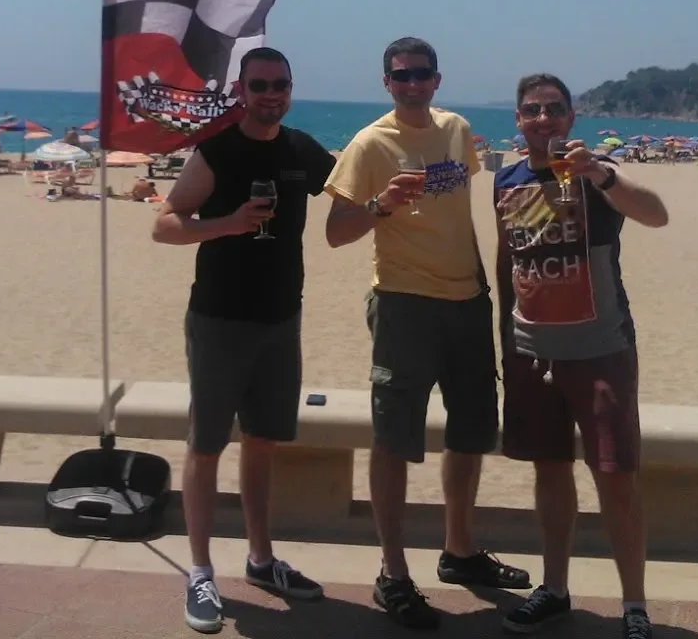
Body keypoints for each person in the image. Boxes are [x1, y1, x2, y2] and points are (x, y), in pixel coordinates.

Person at [323, 37, 528, 630]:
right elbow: (336, 232)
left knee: (470, 433)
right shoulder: (369, 143)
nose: (412, 83)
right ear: (386, 82)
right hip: (404, 304)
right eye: (401, 75)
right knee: (393, 438)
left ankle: (459, 551)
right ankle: (393, 573)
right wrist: (381, 206)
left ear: (437, 80)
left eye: (422, 74)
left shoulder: (457, 131)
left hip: (467, 302)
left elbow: (465, 205)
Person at [152, 47, 336, 633]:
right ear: (240, 89)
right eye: (259, 84)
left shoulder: (301, 150)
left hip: (282, 320)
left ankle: (260, 560)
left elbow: (351, 190)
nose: (270, 93)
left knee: (262, 443)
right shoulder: (218, 150)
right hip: (219, 320)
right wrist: (227, 224)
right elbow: (164, 224)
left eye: (280, 83)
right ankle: (201, 571)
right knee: (206, 446)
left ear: (290, 87)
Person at [494, 74, 669, 638]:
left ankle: (635, 606)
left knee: (616, 476)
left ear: (570, 118)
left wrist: (599, 172)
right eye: (531, 110)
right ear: (518, 120)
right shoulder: (506, 179)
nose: (542, 118)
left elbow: (656, 213)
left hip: (601, 351)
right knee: (550, 472)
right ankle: (554, 588)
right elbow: (508, 265)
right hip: (533, 354)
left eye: (553, 109)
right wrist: (508, 345)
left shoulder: (598, 178)